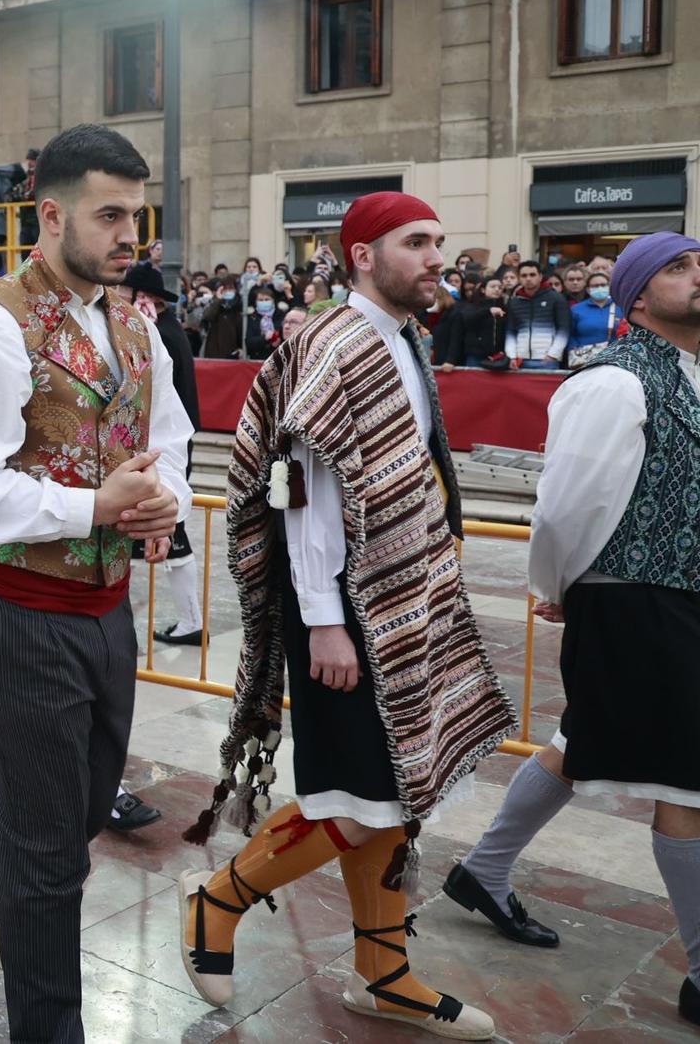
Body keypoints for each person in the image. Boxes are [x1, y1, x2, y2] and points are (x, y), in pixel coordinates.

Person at [177, 191, 511, 1040]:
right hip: (347, 609)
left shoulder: (401, 340)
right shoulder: (336, 343)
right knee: (350, 798)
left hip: (398, 602)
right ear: (363, 254)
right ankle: (217, 902)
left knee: (390, 792)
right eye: (417, 242)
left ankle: (383, 971)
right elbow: (307, 496)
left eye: (440, 240)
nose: (439, 257)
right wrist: (325, 618)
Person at [0, 125, 192, 1036]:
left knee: (69, 807)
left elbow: (169, 432)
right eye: (108, 215)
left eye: (135, 215)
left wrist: (160, 498)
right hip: (15, 611)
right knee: (48, 852)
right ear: (50, 214)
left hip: (104, 607)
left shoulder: (134, 323)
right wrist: (93, 508)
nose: (127, 234)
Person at [442, 231, 700, 1029]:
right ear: (634, 294)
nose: (699, 277)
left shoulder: (689, 377)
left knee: (581, 739)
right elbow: (567, 502)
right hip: (635, 599)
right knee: (687, 781)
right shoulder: (616, 381)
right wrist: (557, 586)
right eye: (679, 268)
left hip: (674, 598)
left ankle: (484, 870)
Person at [119, 262, 203, 648]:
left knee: (171, 538)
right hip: (167, 451)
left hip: (161, 454)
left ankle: (191, 621)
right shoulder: (169, 330)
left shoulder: (155, 336)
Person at [506, 260, 569, 370]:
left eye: (532, 275)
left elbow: (564, 329)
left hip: (547, 360)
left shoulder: (556, 298)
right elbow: (510, 331)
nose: (528, 278)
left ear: (540, 276)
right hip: (520, 359)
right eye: (524, 275)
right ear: (519, 278)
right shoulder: (514, 302)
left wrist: (553, 354)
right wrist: (511, 356)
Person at [565, 269, 624, 367]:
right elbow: (570, 334)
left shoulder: (620, 308)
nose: (600, 288)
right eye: (595, 286)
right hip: (584, 361)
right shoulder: (576, 309)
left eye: (603, 285)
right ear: (588, 289)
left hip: (615, 361)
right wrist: (574, 350)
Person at [242, 284, 283, 361]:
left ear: (273, 300)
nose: (264, 302)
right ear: (256, 302)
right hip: (257, 358)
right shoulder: (251, 318)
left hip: (277, 357)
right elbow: (249, 342)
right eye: (260, 300)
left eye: (267, 299)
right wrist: (264, 338)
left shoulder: (281, 315)